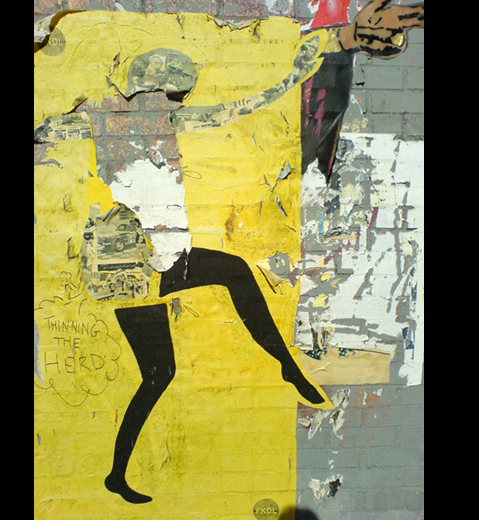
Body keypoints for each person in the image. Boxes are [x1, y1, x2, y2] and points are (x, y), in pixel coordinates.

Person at [99, 0, 424, 504]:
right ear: (150, 90)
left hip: (167, 261)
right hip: (131, 272)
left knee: (233, 272)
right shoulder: (108, 120)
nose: (180, 104)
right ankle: (117, 473)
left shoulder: (163, 124)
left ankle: (286, 366)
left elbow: (241, 105)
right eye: (174, 95)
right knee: (159, 373)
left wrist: (331, 47)